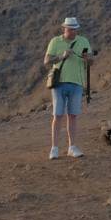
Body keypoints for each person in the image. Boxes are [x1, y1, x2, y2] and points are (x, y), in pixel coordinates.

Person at [44, 17, 93, 160]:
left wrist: (86, 58)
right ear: (64, 29)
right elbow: (46, 61)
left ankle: (72, 146)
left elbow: (91, 61)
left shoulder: (83, 41)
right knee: (57, 115)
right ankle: (54, 148)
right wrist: (61, 56)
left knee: (73, 115)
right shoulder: (55, 41)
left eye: (75, 29)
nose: (73, 32)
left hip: (77, 82)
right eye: (71, 29)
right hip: (59, 83)